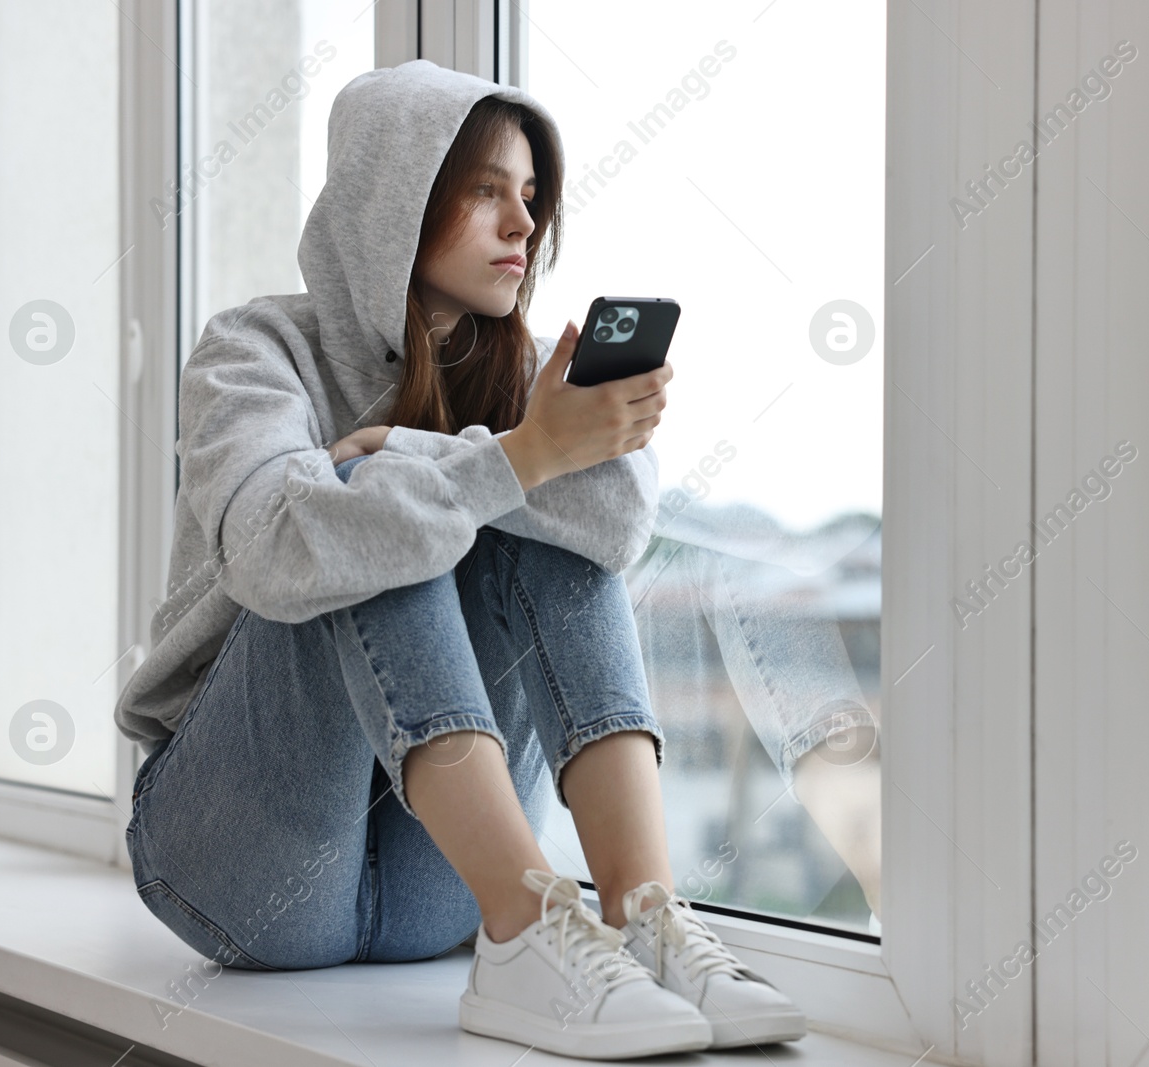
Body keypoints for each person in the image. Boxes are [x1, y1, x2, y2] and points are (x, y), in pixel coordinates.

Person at [113, 59, 804, 1060]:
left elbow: (608, 537)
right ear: (391, 197)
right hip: (235, 866)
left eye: (529, 196)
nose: (523, 223)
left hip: (437, 889)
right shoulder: (253, 349)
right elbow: (276, 550)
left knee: (525, 520)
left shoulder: (515, 371)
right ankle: (529, 929)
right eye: (485, 187)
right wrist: (514, 457)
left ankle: (642, 915)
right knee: (355, 516)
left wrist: (475, 451)